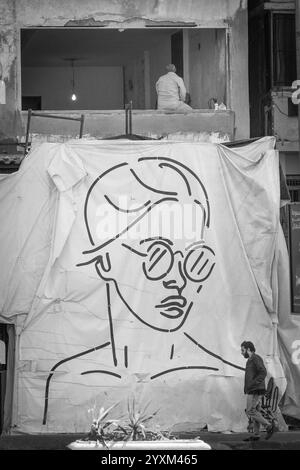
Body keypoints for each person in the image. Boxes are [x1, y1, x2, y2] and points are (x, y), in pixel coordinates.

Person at [241, 341, 278, 441]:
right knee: (255, 411)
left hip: (255, 390)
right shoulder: (250, 360)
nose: (241, 352)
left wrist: (253, 383)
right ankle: (256, 435)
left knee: (250, 411)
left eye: (243, 350)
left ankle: (269, 426)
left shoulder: (255, 358)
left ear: (249, 349)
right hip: (252, 389)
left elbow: (263, 372)